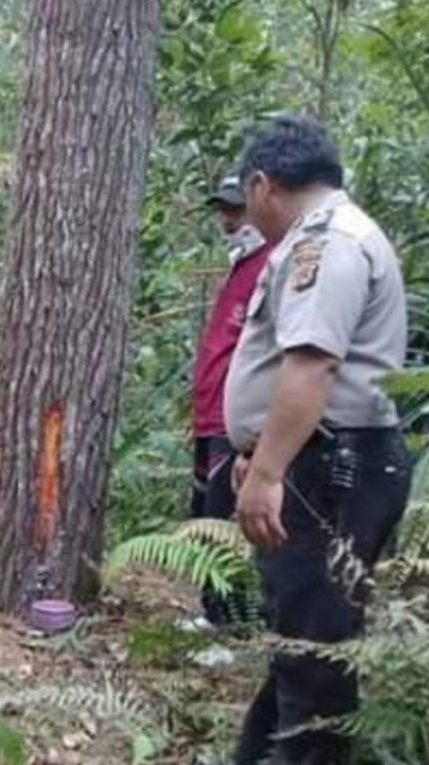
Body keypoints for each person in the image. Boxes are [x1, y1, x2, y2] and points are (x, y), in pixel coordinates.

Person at [225, 116, 410, 765]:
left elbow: (312, 365)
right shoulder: (323, 237)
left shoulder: (325, 243)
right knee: (299, 643)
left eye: (245, 198)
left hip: (332, 471)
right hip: (324, 463)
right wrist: (259, 451)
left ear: (261, 185)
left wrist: (268, 472)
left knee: (316, 661)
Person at [191, 175, 270, 624]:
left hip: (232, 421)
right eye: (224, 210)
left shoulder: (270, 263)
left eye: (236, 210)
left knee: (224, 522)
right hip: (209, 416)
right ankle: (213, 613)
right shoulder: (241, 264)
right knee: (205, 514)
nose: (228, 220)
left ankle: (228, 621)